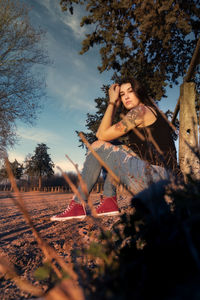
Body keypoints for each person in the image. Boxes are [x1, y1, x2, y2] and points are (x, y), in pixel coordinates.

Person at [50, 78, 178, 221]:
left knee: (97, 146)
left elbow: (100, 135)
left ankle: (78, 204)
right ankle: (109, 202)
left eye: (130, 91)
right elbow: (106, 138)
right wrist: (115, 106)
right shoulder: (149, 112)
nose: (126, 97)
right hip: (164, 177)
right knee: (114, 146)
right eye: (122, 94)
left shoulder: (140, 111)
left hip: (158, 178)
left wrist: (111, 103)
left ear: (139, 92)